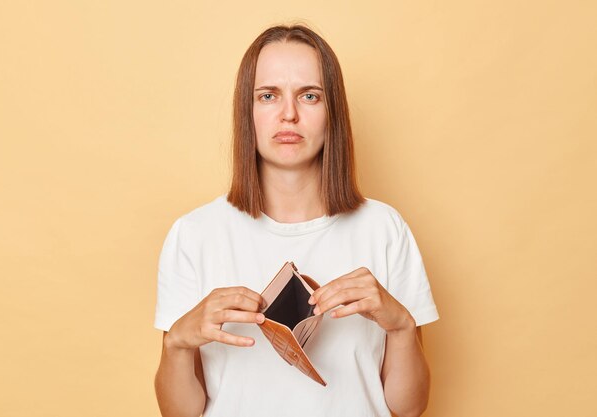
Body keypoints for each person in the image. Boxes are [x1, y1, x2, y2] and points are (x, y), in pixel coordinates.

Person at [154, 24, 439, 417]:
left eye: (309, 96)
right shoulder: (194, 235)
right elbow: (179, 413)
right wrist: (176, 344)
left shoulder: (385, 229)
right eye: (268, 96)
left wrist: (403, 326)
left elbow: (409, 409)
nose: (288, 114)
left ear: (332, 111)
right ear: (247, 110)